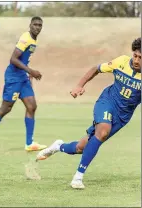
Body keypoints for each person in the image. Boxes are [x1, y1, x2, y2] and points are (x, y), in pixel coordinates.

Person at [36, 37, 141, 189]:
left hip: (122, 116)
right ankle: (78, 178)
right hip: (107, 102)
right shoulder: (122, 62)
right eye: (135, 56)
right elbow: (96, 68)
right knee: (103, 131)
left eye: (140, 58)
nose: (136, 60)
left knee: (81, 147)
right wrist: (79, 85)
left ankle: (58, 147)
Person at [0, 16, 47, 153]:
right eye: (35, 24)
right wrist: (30, 70)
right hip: (13, 77)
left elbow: (24, 59)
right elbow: (13, 59)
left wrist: (28, 74)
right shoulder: (26, 38)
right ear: (30, 25)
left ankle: (29, 143)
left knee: (32, 106)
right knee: (6, 108)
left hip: (23, 77)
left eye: (40, 25)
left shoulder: (34, 39)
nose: (37, 27)